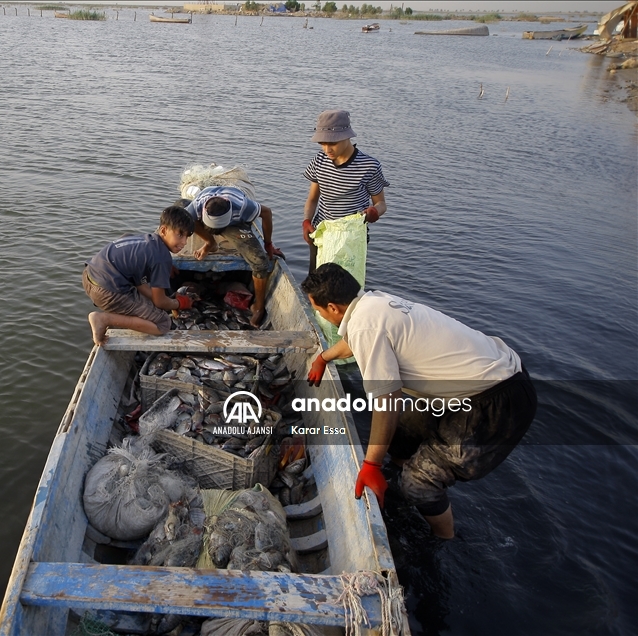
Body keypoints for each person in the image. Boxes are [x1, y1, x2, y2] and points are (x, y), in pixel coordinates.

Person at [301, 263, 537, 539]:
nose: (319, 315)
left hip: (495, 403)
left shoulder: (366, 325)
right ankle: (397, 482)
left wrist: (371, 465)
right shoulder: (373, 303)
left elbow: (387, 400)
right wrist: (323, 357)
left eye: (317, 310)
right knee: (402, 434)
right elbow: (356, 341)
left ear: (332, 307)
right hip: (491, 375)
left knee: (419, 483)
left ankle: (443, 539)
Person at [83, 206, 195, 346]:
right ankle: (104, 319)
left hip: (90, 276)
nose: (184, 242)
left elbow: (140, 284)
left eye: (187, 237)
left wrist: (159, 275)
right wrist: (180, 303)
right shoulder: (161, 258)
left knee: (151, 303)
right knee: (163, 323)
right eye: (180, 235)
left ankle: (115, 315)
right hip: (107, 292)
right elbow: (160, 302)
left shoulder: (144, 240)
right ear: (164, 230)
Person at [183, 185, 284, 328]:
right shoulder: (198, 205)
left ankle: (259, 306)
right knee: (185, 217)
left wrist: (268, 245)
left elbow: (267, 213)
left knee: (260, 263)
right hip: (204, 215)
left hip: (233, 224)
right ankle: (210, 243)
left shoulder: (243, 207)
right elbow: (178, 223)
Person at [302, 110, 389, 272]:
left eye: (332, 143)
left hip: (352, 238)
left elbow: (381, 204)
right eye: (322, 143)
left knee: (345, 288)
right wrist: (307, 221)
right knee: (316, 284)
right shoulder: (319, 161)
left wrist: (373, 212)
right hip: (322, 232)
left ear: (347, 137)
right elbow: (312, 199)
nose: (327, 149)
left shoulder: (369, 166)